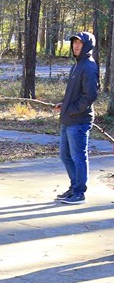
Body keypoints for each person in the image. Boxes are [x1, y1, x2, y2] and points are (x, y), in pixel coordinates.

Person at [55, 32, 99, 205]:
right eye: (74, 43)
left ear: (87, 45)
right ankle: (74, 187)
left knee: (78, 157)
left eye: (80, 43)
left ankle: (79, 193)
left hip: (79, 122)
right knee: (65, 156)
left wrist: (71, 109)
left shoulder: (88, 66)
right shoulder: (77, 65)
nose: (76, 46)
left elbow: (90, 96)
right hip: (68, 119)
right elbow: (76, 93)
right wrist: (64, 104)